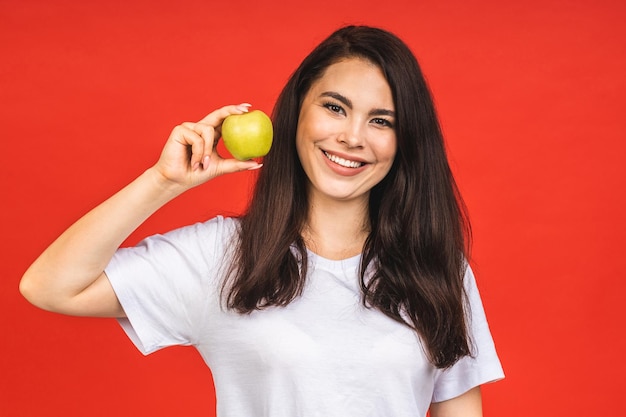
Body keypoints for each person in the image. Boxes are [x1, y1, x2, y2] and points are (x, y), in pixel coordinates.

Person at [20, 25, 504, 416]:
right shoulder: (222, 255)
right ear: (296, 114)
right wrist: (164, 182)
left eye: (382, 121)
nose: (353, 136)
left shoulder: (438, 269)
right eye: (335, 108)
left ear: (405, 143)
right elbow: (50, 286)